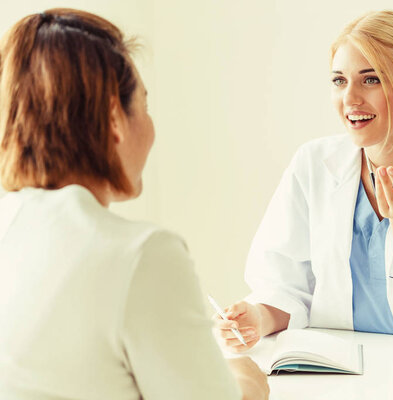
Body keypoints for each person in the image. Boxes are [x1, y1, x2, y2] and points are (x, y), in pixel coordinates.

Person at [0, 9, 268, 400]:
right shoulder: (143, 255)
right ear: (114, 118)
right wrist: (246, 377)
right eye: (144, 104)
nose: (151, 124)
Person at [215, 10, 393, 350]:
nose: (350, 99)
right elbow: (288, 286)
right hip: (342, 371)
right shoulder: (313, 163)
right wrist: (257, 317)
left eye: (371, 79)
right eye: (339, 81)